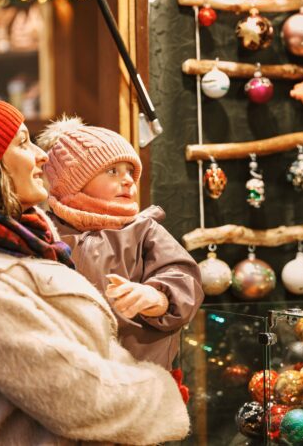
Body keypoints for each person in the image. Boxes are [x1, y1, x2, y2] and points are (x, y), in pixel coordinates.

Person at [0, 92, 189, 445]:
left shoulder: (18, 244)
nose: (42, 155)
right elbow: (78, 397)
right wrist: (163, 392)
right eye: (23, 144)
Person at [37, 117, 204, 372]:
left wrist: (158, 296)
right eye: (112, 171)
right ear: (74, 181)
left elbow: (183, 275)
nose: (128, 180)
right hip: (64, 372)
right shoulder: (46, 231)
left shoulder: (143, 229)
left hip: (140, 374)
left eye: (130, 172)